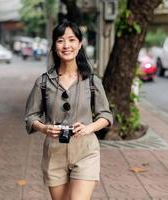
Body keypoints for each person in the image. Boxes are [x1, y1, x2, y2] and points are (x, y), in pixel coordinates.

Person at [24, 20, 113, 200]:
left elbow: (106, 115)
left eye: (72, 40)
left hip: (86, 150)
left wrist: (89, 128)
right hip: (54, 152)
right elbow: (30, 116)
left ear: (79, 44)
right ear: (54, 45)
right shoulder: (43, 82)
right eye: (60, 40)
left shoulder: (92, 81)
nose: (66, 45)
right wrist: (44, 128)